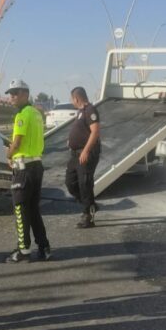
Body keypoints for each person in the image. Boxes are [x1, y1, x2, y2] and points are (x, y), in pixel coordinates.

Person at [4, 79, 50, 263]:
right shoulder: (37, 113)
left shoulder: (22, 114)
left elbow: (17, 142)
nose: (12, 97)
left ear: (25, 94)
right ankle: (44, 247)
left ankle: (23, 251)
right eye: (10, 93)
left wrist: (8, 154)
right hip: (36, 165)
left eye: (16, 93)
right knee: (33, 210)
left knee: (20, 210)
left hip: (24, 168)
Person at [65, 87, 101, 229]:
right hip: (75, 154)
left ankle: (88, 216)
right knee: (70, 183)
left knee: (84, 184)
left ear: (76, 99)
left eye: (71, 99)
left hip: (86, 153)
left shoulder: (90, 110)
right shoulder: (81, 112)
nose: (71, 101)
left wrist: (85, 151)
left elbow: (95, 131)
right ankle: (90, 204)